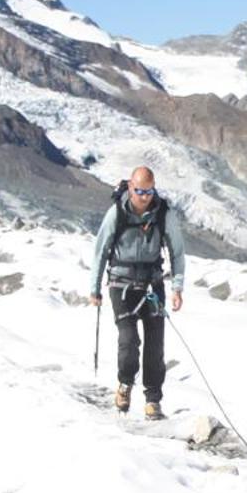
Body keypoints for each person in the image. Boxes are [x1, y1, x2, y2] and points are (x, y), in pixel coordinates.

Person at [89, 166, 185, 418]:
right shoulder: (116, 213)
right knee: (129, 340)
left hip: (153, 284)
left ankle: (153, 400)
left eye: (149, 191)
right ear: (131, 187)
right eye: (140, 191)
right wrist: (94, 288)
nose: (145, 196)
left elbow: (177, 251)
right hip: (122, 285)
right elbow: (101, 250)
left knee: (155, 345)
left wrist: (177, 287)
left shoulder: (163, 214)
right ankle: (124, 384)